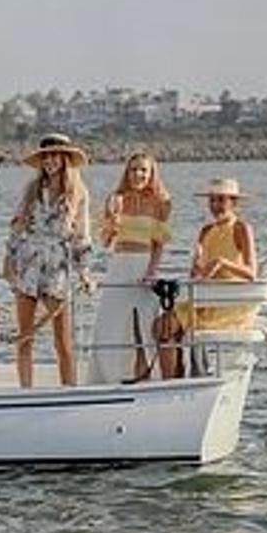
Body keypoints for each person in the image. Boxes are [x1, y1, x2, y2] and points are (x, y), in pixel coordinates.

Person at [1, 133, 93, 388]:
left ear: (64, 158)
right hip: (28, 262)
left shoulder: (78, 193)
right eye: (45, 156)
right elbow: (17, 227)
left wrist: (84, 272)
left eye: (55, 155)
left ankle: (69, 389)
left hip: (57, 266)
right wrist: (8, 261)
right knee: (25, 337)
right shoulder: (30, 190)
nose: (50, 160)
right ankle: (25, 391)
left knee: (62, 340)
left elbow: (82, 235)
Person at [86, 149, 173, 384]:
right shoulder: (116, 199)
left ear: (151, 172)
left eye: (143, 170)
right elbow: (105, 242)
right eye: (134, 169)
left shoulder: (160, 202)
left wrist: (152, 271)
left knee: (144, 325)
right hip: (119, 265)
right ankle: (109, 378)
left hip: (144, 265)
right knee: (109, 323)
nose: (138, 174)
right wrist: (112, 223)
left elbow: (159, 244)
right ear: (127, 172)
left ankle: (147, 377)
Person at [176, 177, 259, 334]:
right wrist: (196, 266)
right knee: (162, 325)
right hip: (205, 299)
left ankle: (183, 358)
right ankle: (180, 359)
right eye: (212, 201)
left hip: (230, 302)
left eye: (221, 200)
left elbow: (252, 274)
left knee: (171, 326)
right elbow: (197, 274)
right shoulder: (205, 231)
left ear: (233, 203)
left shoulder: (241, 228)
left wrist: (222, 263)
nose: (215, 206)